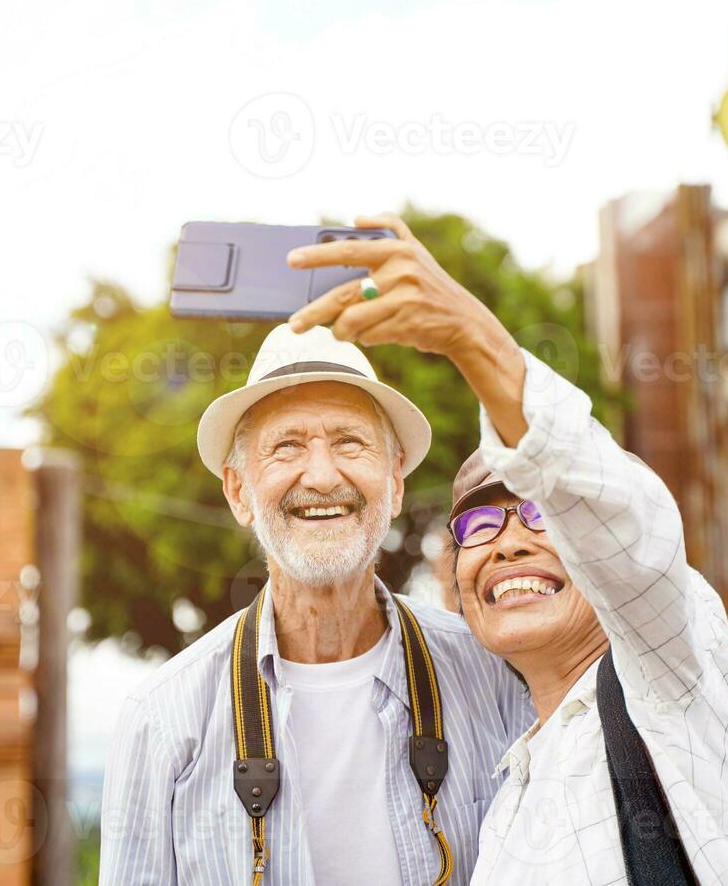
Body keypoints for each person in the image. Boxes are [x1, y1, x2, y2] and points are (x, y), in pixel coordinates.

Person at [285, 214, 728, 884]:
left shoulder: (673, 675)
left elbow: (625, 524)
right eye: (479, 526)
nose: (506, 544)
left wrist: (473, 340)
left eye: (539, 515)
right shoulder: (508, 797)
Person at [98, 288, 534, 885]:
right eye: (288, 447)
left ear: (396, 484)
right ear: (238, 492)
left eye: (350, 442)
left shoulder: (493, 677)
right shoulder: (164, 720)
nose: (323, 475)